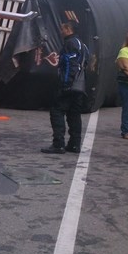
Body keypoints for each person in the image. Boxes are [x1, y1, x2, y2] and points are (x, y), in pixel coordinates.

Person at [41, 21, 88, 155]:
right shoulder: (83, 45)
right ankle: (74, 144)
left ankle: (58, 144)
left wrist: (66, 84)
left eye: (63, 29)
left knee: (56, 111)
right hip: (80, 85)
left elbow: (69, 64)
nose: (61, 31)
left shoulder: (70, 43)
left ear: (68, 29)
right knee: (74, 114)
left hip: (69, 85)